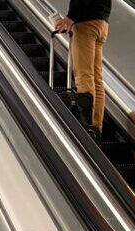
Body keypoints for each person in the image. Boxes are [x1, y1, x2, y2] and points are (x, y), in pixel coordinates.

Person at [55, 0, 112, 137]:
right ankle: (96, 126)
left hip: (85, 23)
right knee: (96, 78)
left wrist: (71, 16)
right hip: (102, 22)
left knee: (83, 76)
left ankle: (86, 126)